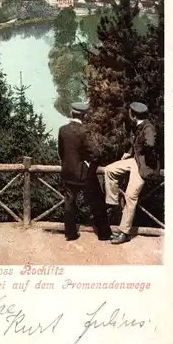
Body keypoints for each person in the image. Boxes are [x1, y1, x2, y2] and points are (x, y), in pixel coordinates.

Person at [105, 102, 159, 245]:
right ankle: (112, 202)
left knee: (130, 196)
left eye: (130, 113)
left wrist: (144, 153)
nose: (129, 115)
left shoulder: (148, 128)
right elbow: (135, 144)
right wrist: (128, 153)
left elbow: (151, 144)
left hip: (143, 166)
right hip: (134, 161)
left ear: (133, 116)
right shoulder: (138, 127)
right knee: (109, 170)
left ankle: (124, 232)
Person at [58, 102, 112, 241]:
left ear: (71, 114)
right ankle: (104, 234)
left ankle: (70, 234)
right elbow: (97, 153)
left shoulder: (62, 130)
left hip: (68, 172)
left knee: (69, 202)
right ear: (84, 115)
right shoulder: (83, 131)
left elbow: (61, 152)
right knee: (97, 202)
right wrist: (88, 165)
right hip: (83, 174)